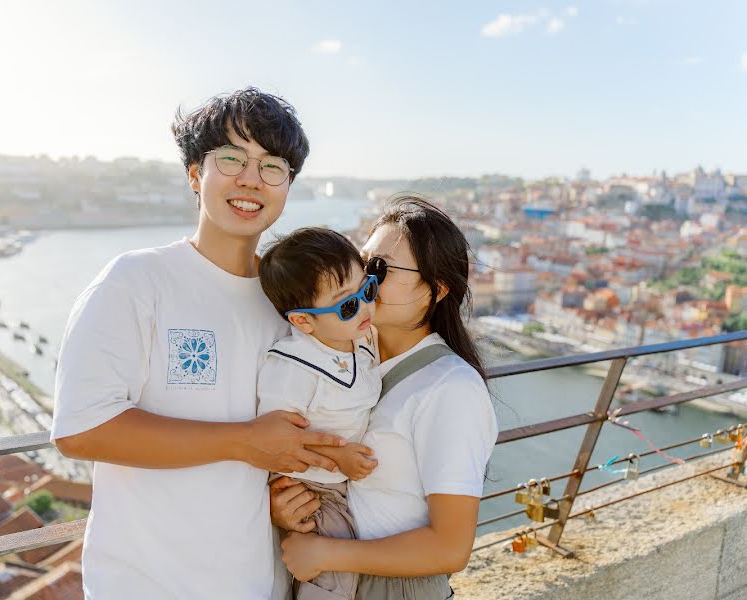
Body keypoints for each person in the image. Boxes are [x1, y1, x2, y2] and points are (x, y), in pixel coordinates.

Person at [50, 88, 348, 599]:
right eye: (231, 158)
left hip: (256, 582)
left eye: (272, 165)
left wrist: (277, 499)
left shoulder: (288, 307)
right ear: (195, 174)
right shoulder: (136, 281)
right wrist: (241, 440)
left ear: (288, 185)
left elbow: (283, 440)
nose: (251, 179)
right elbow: (80, 430)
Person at [272, 197, 498, 600]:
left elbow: (450, 548)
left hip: (394, 587)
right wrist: (288, 504)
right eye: (362, 261)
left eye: (380, 269)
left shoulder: (450, 388)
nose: (361, 280)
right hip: (341, 573)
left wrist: (327, 551)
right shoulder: (349, 357)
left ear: (437, 289)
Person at [258, 227, 383, 600]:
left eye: (368, 290)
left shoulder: (360, 340)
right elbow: (278, 442)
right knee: (332, 582)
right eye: (348, 304)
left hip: (342, 484)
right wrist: (337, 457)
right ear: (302, 321)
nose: (364, 307)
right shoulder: (295, 367)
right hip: (312, 488)